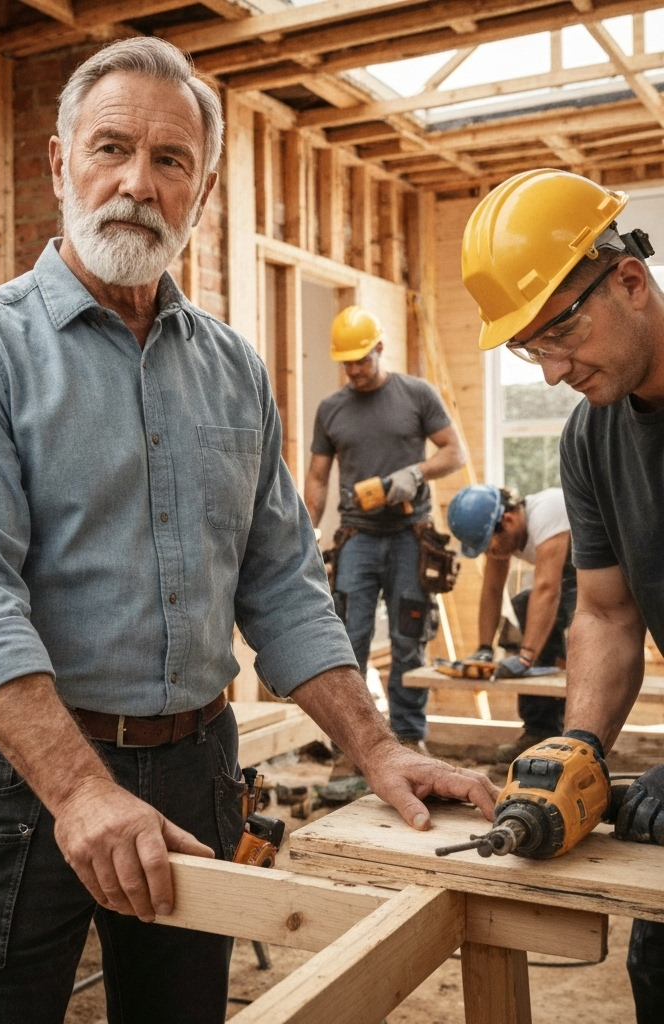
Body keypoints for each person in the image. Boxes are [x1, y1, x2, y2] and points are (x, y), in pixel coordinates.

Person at [0, 37, 496, 1024]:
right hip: (18, 787)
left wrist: (377, 747)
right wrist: (82, 794)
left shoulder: (233, 368)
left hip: (195, 769)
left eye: (169, 160)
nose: (136, 182)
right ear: (59, 165)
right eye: (110, 148)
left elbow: (278, 583)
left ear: (201, 188)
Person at [460, 167, 664, 1023]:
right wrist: (580, 744)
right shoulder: (590, 434)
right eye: (527, 348)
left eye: (560, 333)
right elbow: (610, 613)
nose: (549, 373)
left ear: (630, 280)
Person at [303, 306, 466, 750]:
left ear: (379, 348)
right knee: (347, 641)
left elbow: (455, 452)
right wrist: (304, 538)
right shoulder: (331, 410)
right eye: (347, 362)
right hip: (357, 537)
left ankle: (410, 739)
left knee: (407, 639)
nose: (354, 370)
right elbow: (317, 478)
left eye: (362, 359)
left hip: (410, 535)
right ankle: (353, 743)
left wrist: (416, 474)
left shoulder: (416, 394)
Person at [447, 483, 573, 757]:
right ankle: (540, 731)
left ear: (508, 519)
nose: (489, 553)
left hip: (617, 565)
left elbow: (548, 589)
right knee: (522, 604)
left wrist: (526, 656)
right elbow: (492, 589)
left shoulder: (548, 510)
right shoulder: (503, 535)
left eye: (488, 546)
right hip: (578, 572)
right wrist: (483, 649)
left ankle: (574, 734)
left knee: (554, 611)